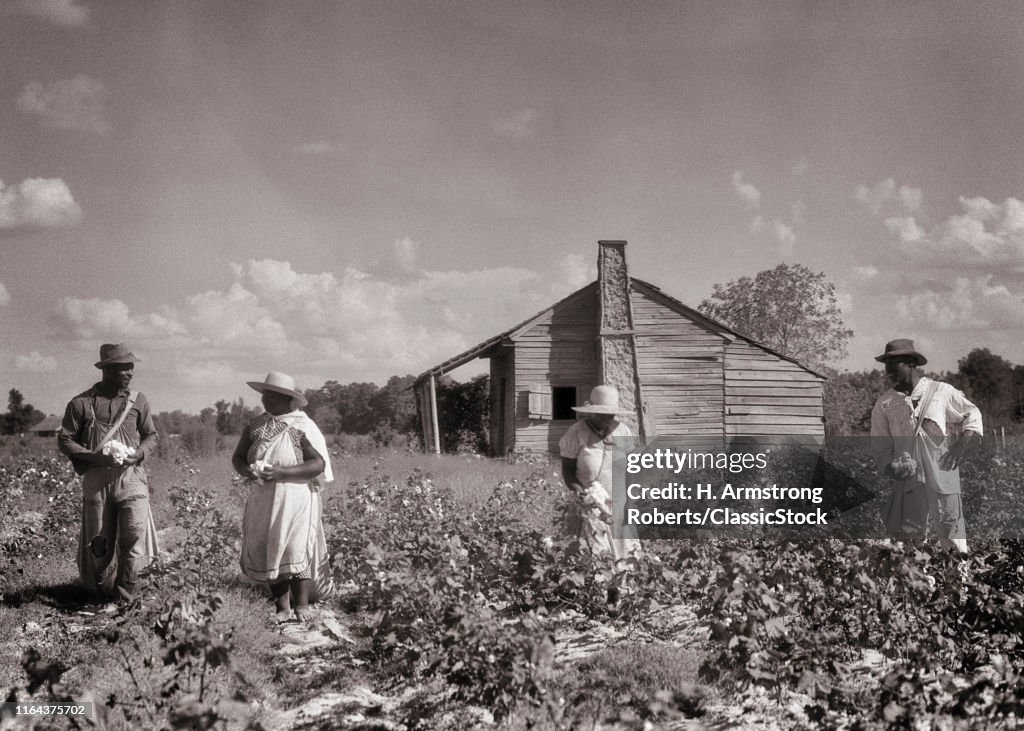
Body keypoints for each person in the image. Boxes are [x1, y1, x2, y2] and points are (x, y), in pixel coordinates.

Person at [58, 343, 160, 603]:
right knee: (99, 543)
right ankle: (102, 594)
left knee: (134, 535)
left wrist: (140, 453)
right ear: (107, 370)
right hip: (97, 480)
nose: (130, 373)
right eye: (124, 368)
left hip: (132, 478)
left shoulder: (139, 401)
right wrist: (93, 456)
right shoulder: (81, 403)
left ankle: (127, 597)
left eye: (131, 368)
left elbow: (151, 435)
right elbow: (65, 440)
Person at [232, 371, 335, 623]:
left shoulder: (301, 427)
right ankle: (282, 607)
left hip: (296, 497)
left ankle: (301, 605)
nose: (265, 400)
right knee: (270, 545)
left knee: (294, 547)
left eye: (271, 395)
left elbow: (317, 465)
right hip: (263, 497)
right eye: (264, 395)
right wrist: (247, 470)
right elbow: (238, 457)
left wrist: (281, 472)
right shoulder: (255, 426)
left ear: (287, 399)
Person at [870, 339, 982, 554]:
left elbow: (972, 413)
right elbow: (880, 448)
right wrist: (891, 467)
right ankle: (918, 585)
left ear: (911, 362)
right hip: (909, 478)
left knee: (953, 534)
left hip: (942, 471)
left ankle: (960, 584)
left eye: (895, 363)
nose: (889, 370)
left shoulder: (939, 391)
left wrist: (961, 444)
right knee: (911, 537)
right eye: (886, 364)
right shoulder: (885, 403)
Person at [559, 384, 641, 564]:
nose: (607, 418)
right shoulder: (577, 433)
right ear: (591, 411)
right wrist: (579, 492)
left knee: (626, 560)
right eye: (601, 414)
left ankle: (622, 592)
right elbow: (568, 470)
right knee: (595, 558)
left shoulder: (622, 431)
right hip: (591, 508)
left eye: (610, 414)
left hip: (619, 508)